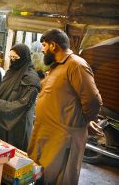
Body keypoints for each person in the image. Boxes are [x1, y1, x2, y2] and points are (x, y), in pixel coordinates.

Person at [27, 29, 102, 184]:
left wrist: (84, 121)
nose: (43, 49)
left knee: (61, 178)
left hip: (63, 140)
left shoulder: (76, 65)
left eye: (44, 45)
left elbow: (93, 100)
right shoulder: (57, 66)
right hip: (47, 135)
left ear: (53, 45)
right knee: (42, 177)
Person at [0, 44, 40, 151]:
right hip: (2, 119)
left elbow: (23, 104)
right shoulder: (11, 71)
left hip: (17, 125)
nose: (13, 61)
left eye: (16, 58)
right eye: (11, 57)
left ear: (24, 58)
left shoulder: (30, 78)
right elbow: (3, 89)